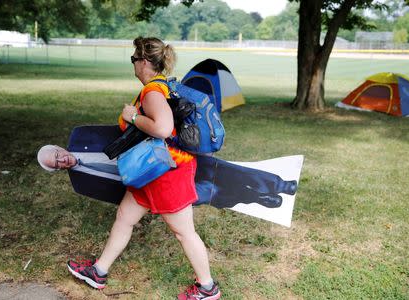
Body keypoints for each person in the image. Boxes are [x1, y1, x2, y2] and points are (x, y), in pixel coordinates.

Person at [64, 37, 221, 299]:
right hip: (150, 170)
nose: (133, 65)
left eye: (134, 59)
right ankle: (98, 272)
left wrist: (133, 117)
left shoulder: (152, 92)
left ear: (144, 61)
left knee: (184, 232)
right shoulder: (162, 87)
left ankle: (207, 288)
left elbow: (161, 128)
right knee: (125, 217)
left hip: (166, 173)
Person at [37, 144, 298, 209]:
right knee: (209, 195)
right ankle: (256, 197)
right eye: (57, 165)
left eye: (58, 155)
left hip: (160, 155)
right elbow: (115, 196)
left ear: (60, 148)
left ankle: (279, 184)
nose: (62, 161)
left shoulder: (83, 139)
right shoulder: (81, 183)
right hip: (150, 185)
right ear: (57, 171)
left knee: (221, 169)